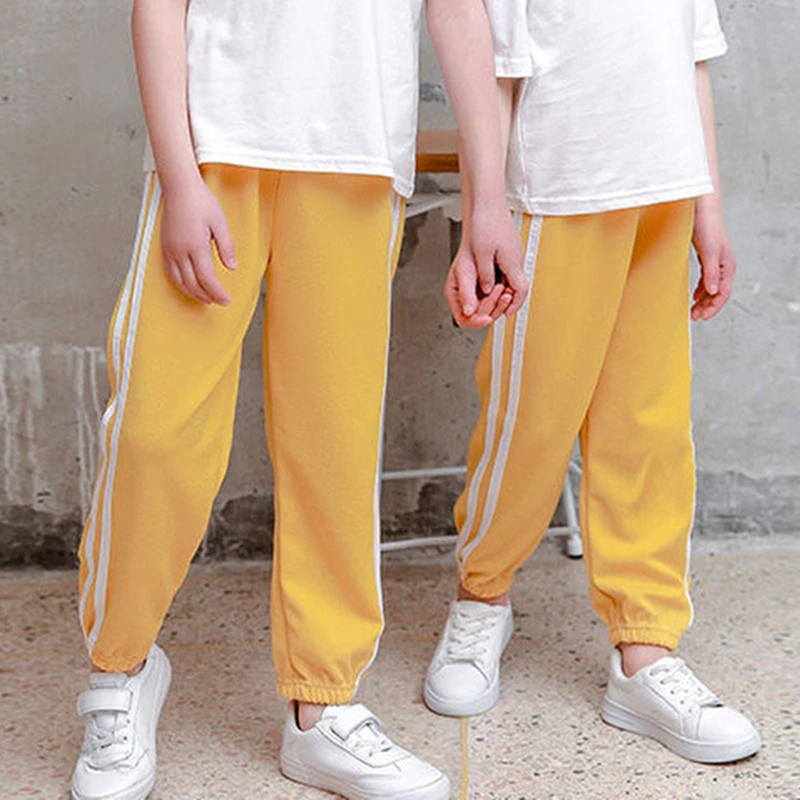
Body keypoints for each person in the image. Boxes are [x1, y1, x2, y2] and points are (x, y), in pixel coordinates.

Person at [70, 2, 527, 799]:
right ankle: (120, 672)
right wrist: (179, 179)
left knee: (333, 445)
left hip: (357, 156)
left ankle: (324, 704)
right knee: (154, 432)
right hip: (215, 152)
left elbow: (458, 10)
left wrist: (490, 198)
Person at [427, 0, 762, 765]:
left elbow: (692, 61)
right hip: (556, 194)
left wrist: (708, 207)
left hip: (663, 196)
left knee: (647, 428)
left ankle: (645, 648)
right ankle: (482, 597)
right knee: (528, 422)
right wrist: (487, 208)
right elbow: (493, 69)